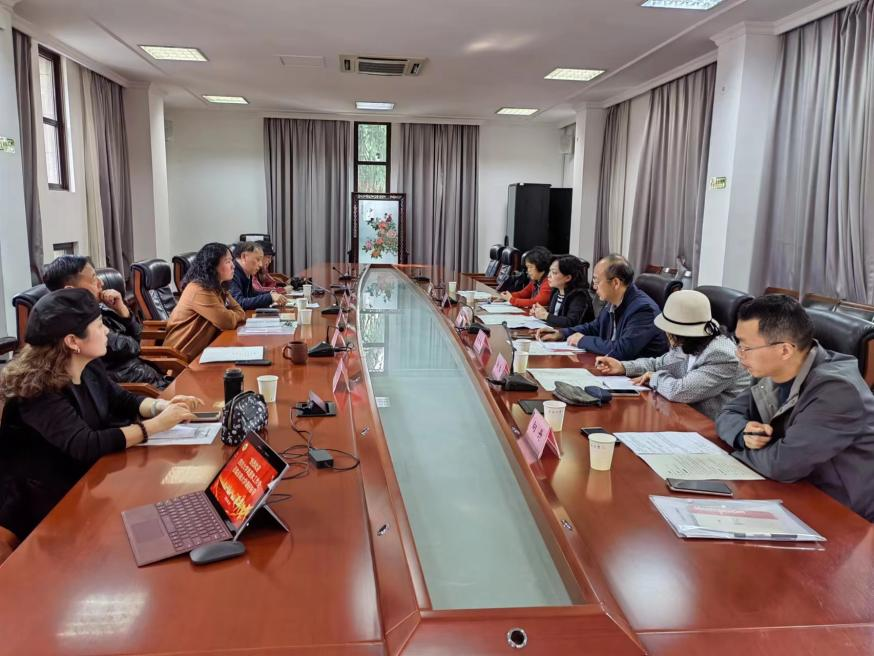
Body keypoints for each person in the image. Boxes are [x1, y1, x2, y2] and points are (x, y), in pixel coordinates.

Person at [0, 288, 202, 546]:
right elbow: (85, 444)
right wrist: (155, 426)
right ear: (72, 341)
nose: (106, 330)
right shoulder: (37, 391)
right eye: (98, 325)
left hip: (92, 480)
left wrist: (160, 407)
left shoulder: (88, 364)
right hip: (48, 506)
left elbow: (120, 399)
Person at [716, 295, 874, 521]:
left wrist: (732, 455)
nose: (739, 354)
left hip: (842, 514)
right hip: (794, 491)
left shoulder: (837, 391)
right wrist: (744, 435)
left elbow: (782, 465)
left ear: (785, 350)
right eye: (738, 343)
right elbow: (727, 413)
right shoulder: (771, 372)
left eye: (746, 347)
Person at [594, 290, 749, 419]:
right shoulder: (691, 342)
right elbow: (658, 364)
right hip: (683, 417)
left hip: (711, 430)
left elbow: (680, 391)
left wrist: (655, 377)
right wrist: (623, 366)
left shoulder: (721, 355)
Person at [42, 255, 170, 389]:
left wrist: (123, 312)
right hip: (141, 389)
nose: (101, 283)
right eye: (93, 279)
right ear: (71, 290)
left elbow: (138, 340)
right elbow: (134, 347)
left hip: (152, 379)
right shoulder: (79, 327)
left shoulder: (101, 308)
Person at [536, 254, 668, 359]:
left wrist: (582, 340)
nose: (594, 287)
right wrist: (562, 333)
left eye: (596, 281)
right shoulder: (614, 300)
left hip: (636, 377)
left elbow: (623, 350)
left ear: (615, 283)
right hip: (612, 367)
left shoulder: (643, 310)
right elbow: (595, 327)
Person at [164, 242, 247, 361]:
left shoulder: (218, 287)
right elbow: (227, 322)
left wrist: (233, 315)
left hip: (203, 352)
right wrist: (233, 315)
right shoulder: (199, 290)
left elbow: (240, 311)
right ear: (212, 266)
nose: (233, 266)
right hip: (180, 358)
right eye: (228, 261)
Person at [531, 255, 594, 328]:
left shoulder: (579, 295)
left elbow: (571, 323)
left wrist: (545, 315)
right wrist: (540, 312)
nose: (548, 276)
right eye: (549, 271)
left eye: (554, 272)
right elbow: (555, 317)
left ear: (568, 278)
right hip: (556, 331)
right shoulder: (556, 292)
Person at [229, 242, 287, 310]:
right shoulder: (232, 273)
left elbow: (251, 295)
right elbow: (238, 303)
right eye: (258, 259)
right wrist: (269, 297)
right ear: (244, 257)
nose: (260, 265)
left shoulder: (246, 272)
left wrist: (271, 294)